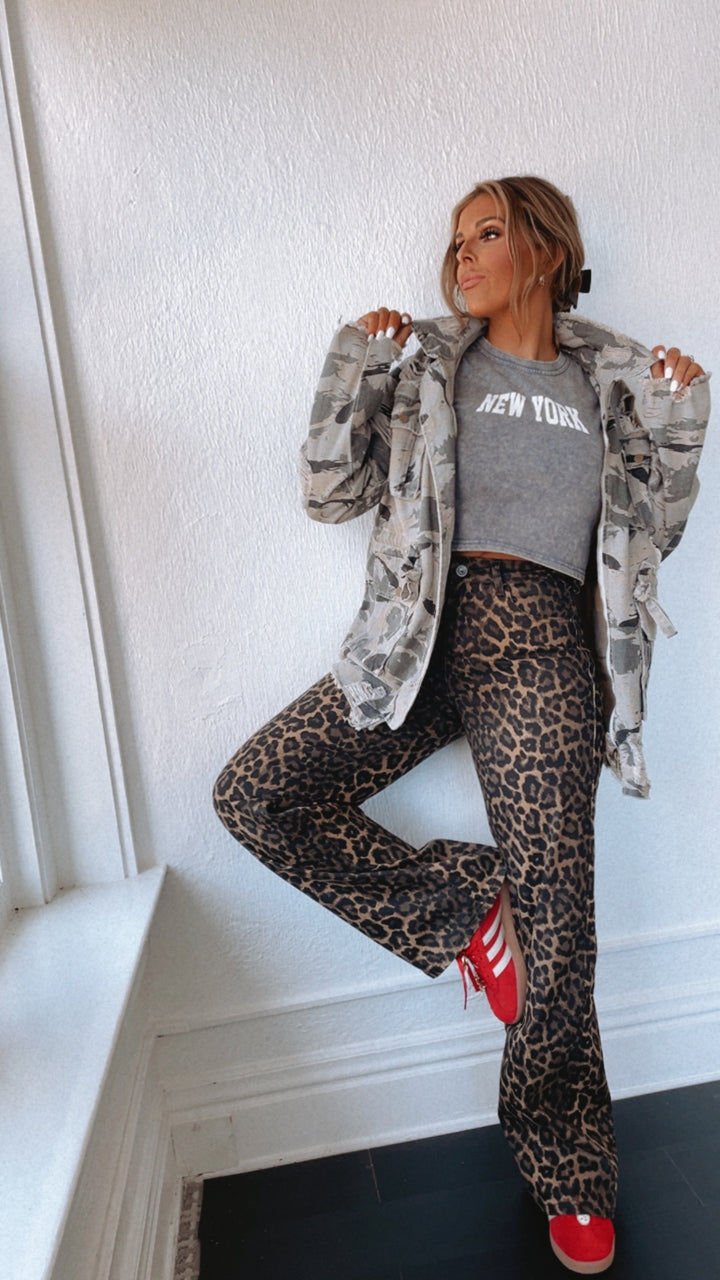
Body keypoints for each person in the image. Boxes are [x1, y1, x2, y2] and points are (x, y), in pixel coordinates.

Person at [213, 176, 709, 1274]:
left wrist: (681, 418)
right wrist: (356, 363)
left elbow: (655, 533)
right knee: (256, 793)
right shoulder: (430, 365)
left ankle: (571, 1172)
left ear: (547, 250)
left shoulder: (610, 381)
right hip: (419, 633)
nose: (463, 255)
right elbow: (330, 492)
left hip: (543, 641)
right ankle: (467, 903)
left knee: (560, 919)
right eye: (456, 240)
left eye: (488, 232)